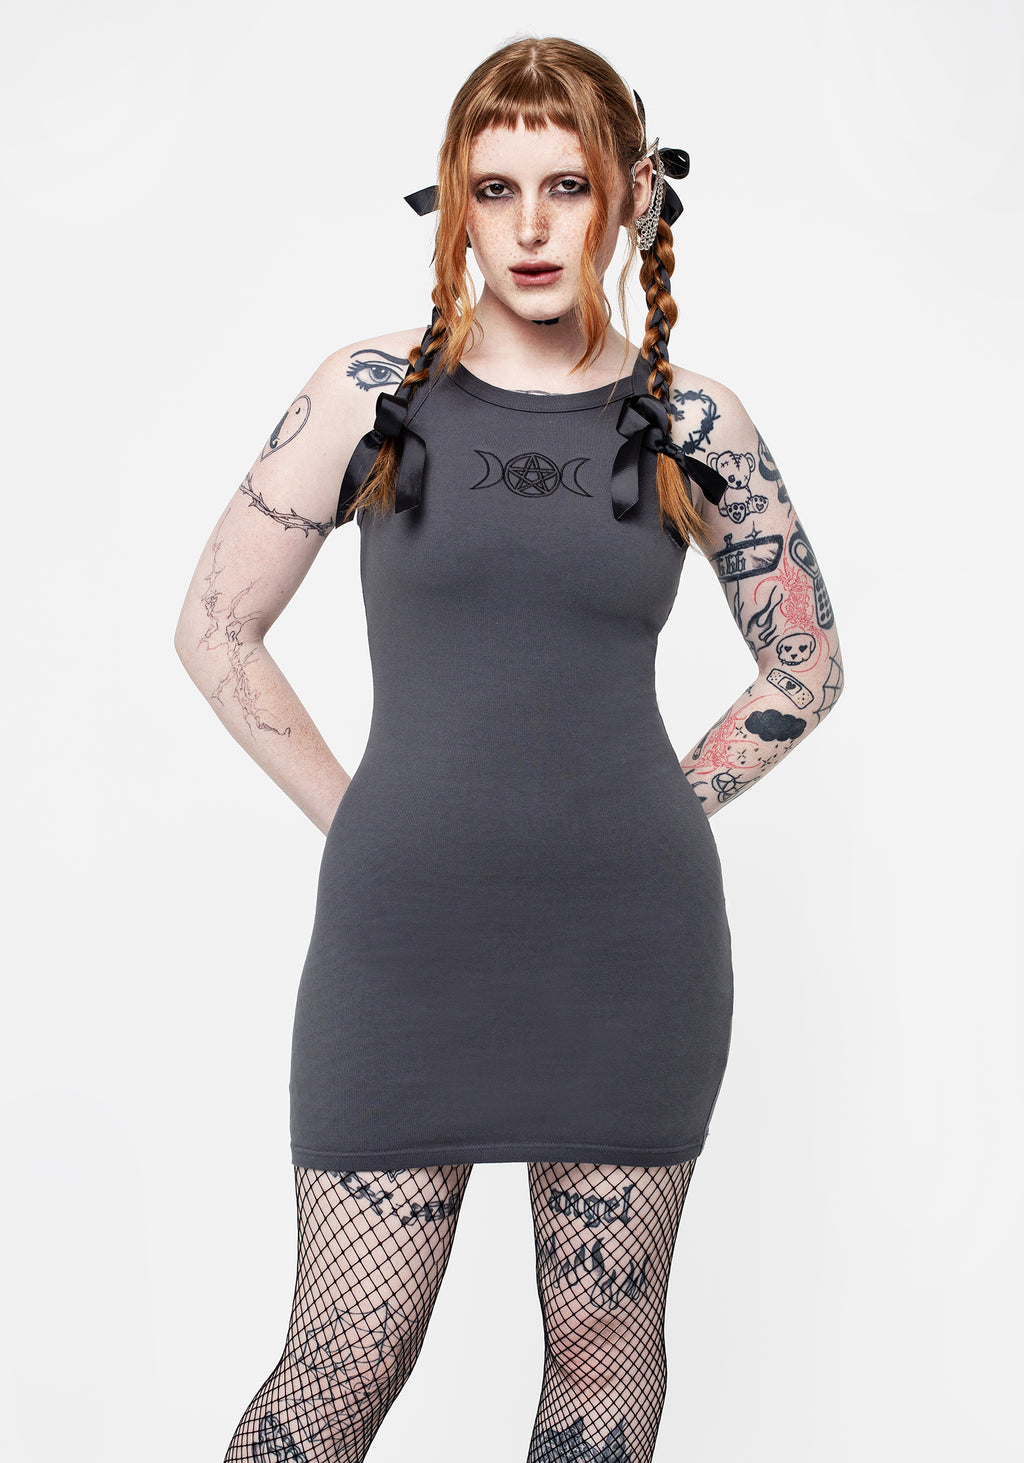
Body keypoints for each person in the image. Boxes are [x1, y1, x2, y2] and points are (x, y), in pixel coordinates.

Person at [174, 34, 844, 1463]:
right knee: (342, 1358)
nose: (531, 227)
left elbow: (806, 663)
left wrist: (658, 808)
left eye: (567, 185)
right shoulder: (368, 395)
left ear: (628, 197)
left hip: (628, 948)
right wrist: (366, 819)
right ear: (455, 203)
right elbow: (216, 629)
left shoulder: (691, 420)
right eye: (495, 189)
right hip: (404, 941)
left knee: (604, 1358)